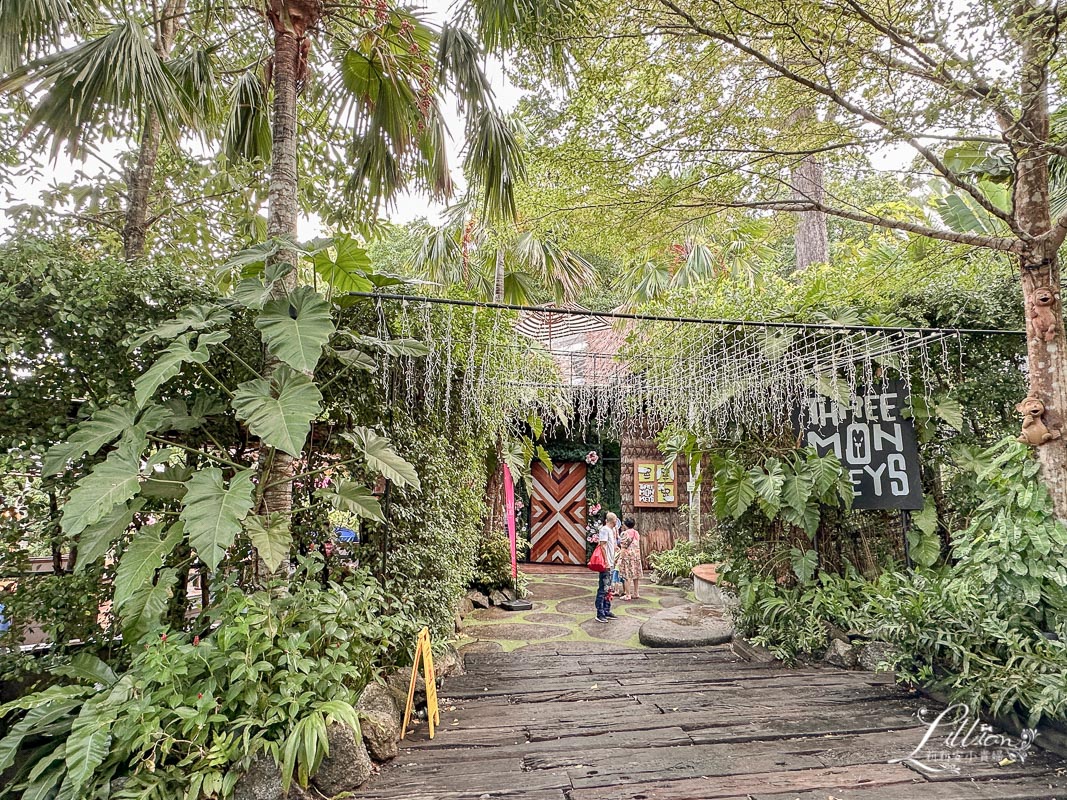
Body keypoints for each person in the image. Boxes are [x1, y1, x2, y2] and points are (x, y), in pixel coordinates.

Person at [594, 513, 619, 622]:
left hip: (611, 562)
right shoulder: (604, 530)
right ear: (613, 520)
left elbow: (608, 545)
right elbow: (602, 545)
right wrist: (606, 561)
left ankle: (606, 609)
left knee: (608, 587)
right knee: (603, 588)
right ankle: (600, 613)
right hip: (606, 563)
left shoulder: (611, 530)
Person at [617, 518, 643, 600]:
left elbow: (623, 546)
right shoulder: (636, 533)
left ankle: (628, 594)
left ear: (625, 525)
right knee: (636, 575)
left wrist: (620, 558)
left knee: (627, 575)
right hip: (636, 556)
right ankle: (636, 593)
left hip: (628, 556)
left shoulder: (625, 534)